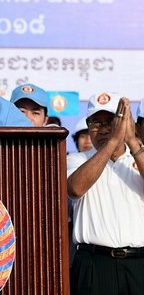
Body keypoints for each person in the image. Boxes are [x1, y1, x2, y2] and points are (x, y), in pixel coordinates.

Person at [67, 92, 144, 295]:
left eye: (111, 122)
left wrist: (132, 141)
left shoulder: (139, 156)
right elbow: (75, 189)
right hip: (94, 265)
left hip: (138, 265)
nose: (103, 129)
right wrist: (112, 142)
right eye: (96, 123)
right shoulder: (76, 159)